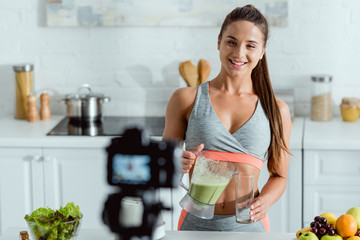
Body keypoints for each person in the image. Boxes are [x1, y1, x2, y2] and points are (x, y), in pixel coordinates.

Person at [162, 4, 291, 232]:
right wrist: (175, 162)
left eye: (250, 46)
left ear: (262, 51)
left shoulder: (276, 110)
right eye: (231, 42)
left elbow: (279, 176)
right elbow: (161, 164)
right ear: (219, 42)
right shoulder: (185, 99)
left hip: (249, 226)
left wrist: (266, 201)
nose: (239, 53)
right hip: (195, 225)